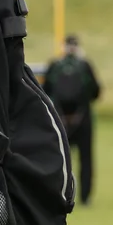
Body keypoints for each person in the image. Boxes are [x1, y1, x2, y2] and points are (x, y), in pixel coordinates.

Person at [41, 33, 100, 205]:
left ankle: (58, 193)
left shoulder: (55, 65)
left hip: (59, 119)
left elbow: (44, 90)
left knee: (59, 158)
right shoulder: (85, 65)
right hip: (83, 118)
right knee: (86, 159)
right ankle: (85, 197)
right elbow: (96, 92)